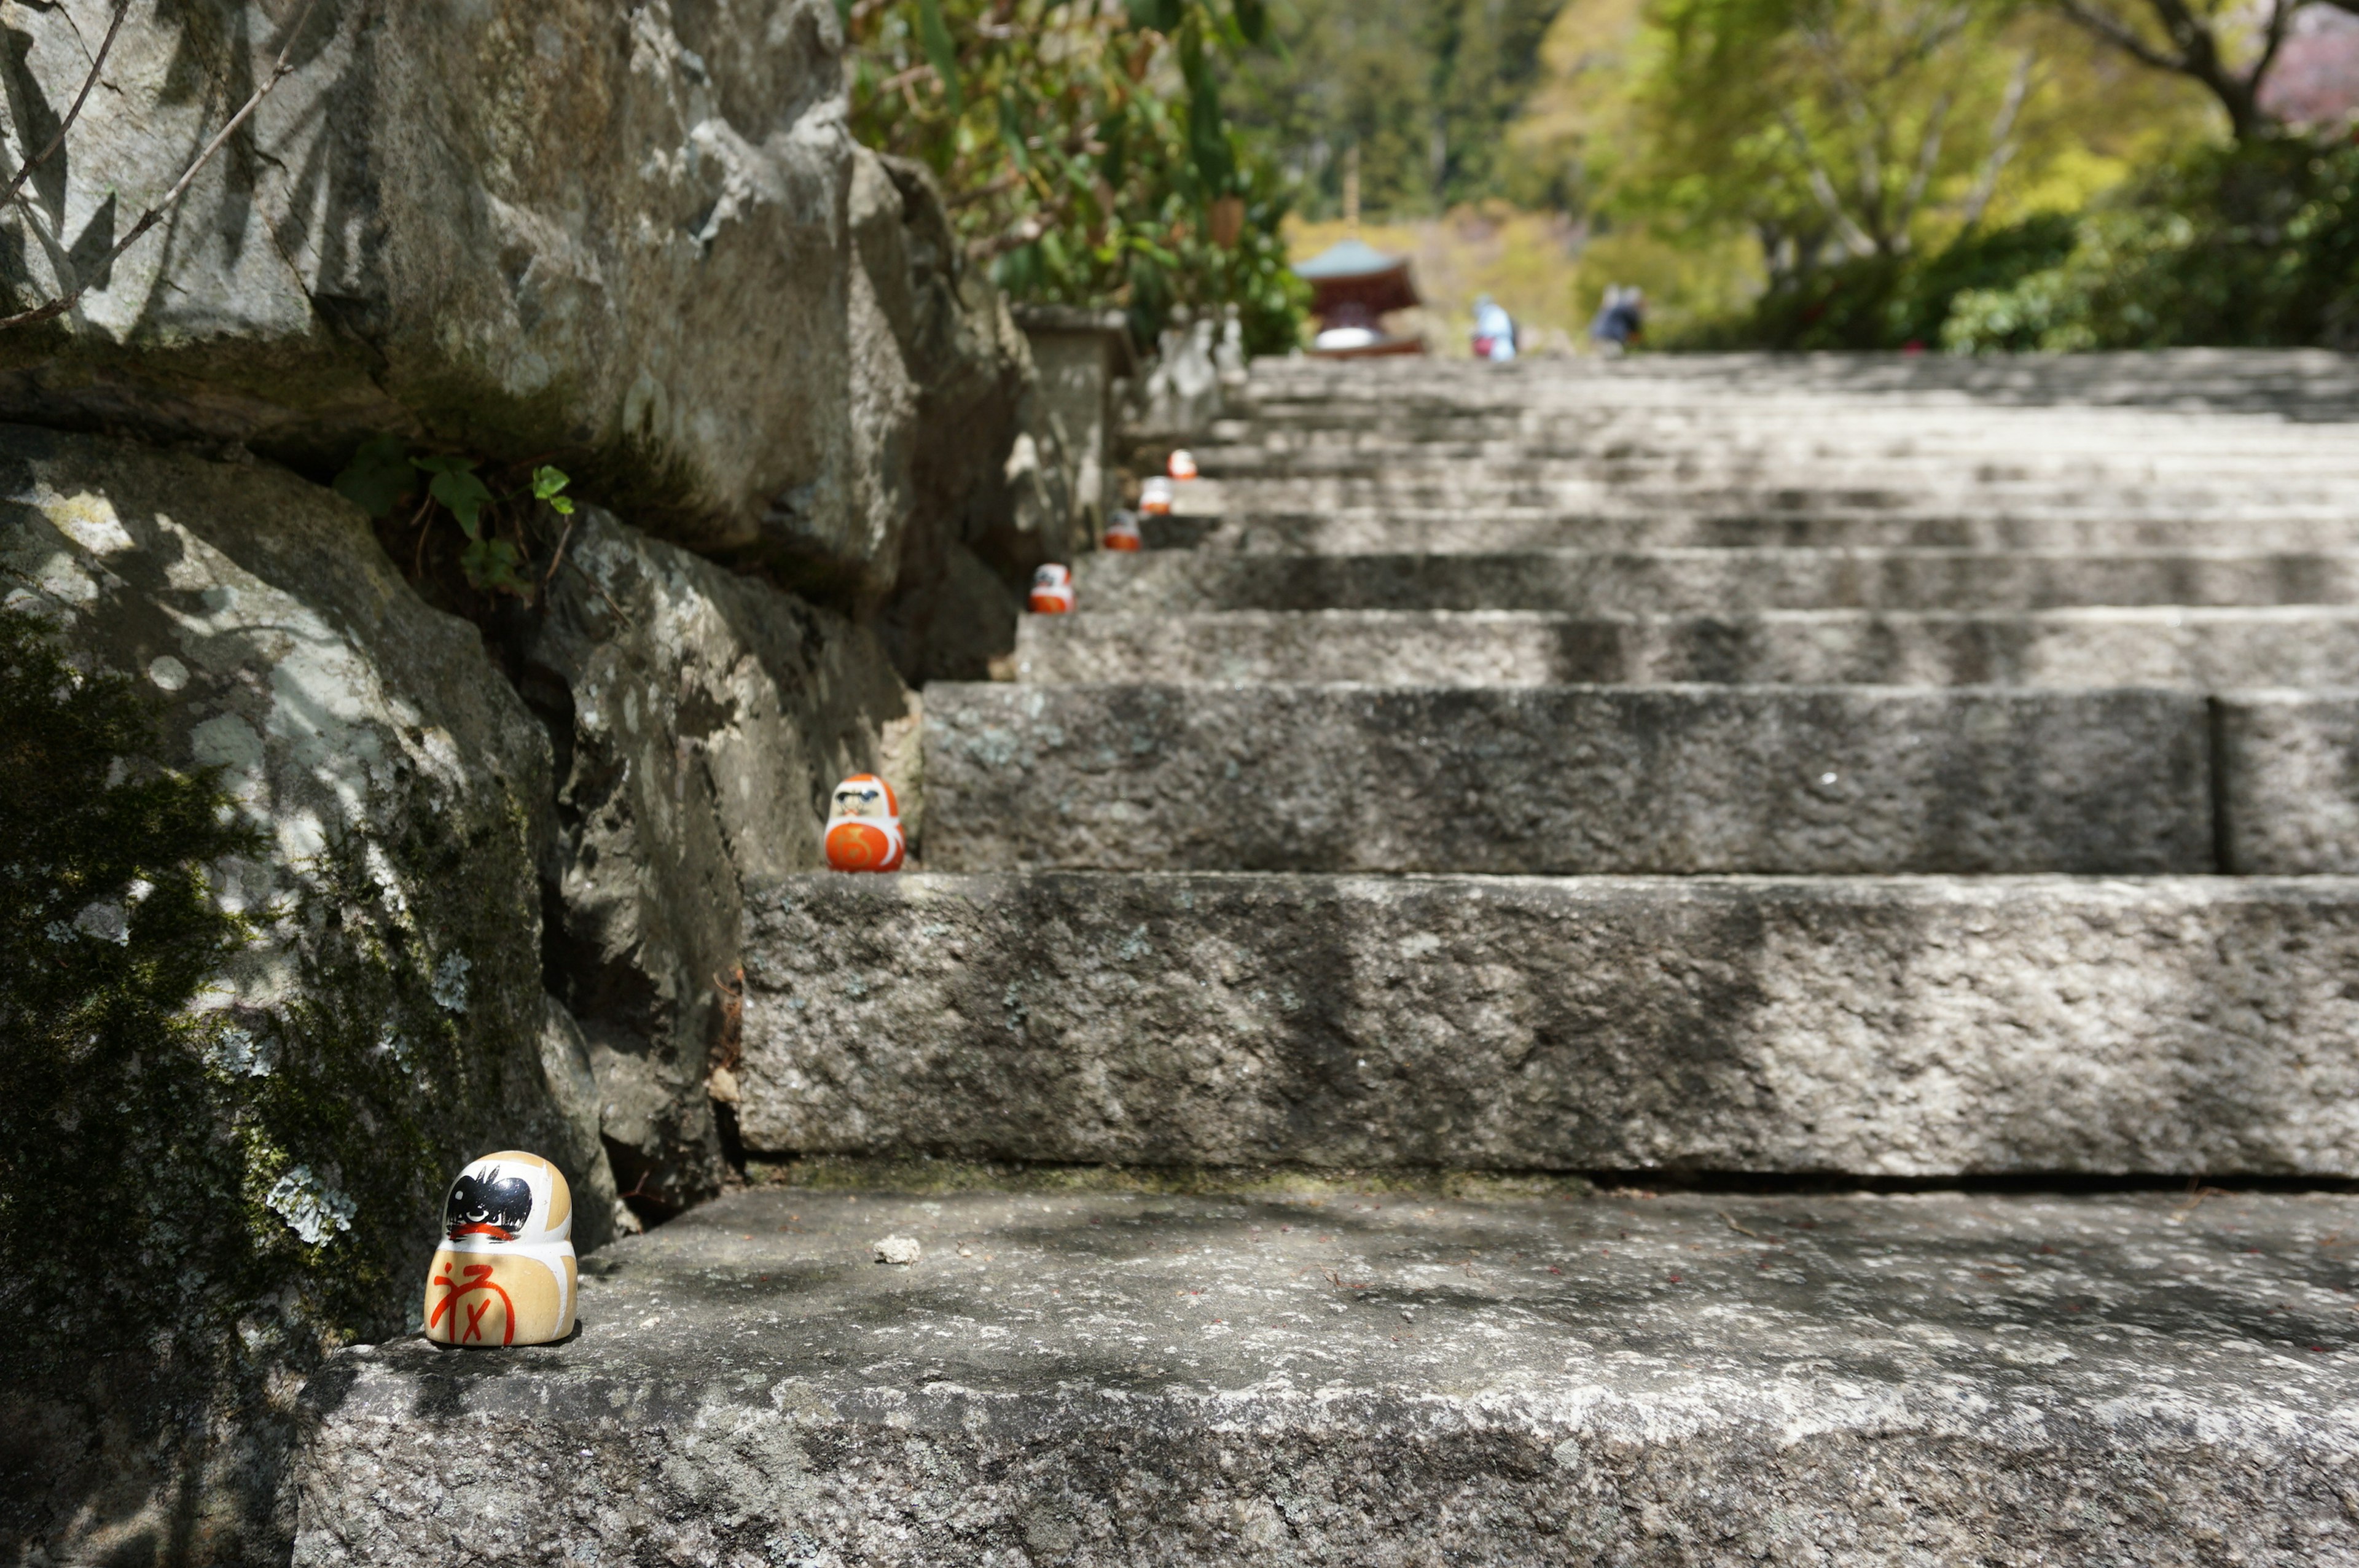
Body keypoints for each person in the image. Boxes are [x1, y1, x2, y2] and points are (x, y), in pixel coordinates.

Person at [1589, 285, 1645, 354]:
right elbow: (1634, 325)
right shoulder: (1627, 308)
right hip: (1609, 339)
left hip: (1598, 337)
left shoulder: (1614, 306)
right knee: (1615, 358)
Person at [1471, 295, 1518, 362]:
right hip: (1498, 349)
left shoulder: (1495, 314)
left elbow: (1495, 330)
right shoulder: (1493, 314)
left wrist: (1479, 333)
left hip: (1500, 349)